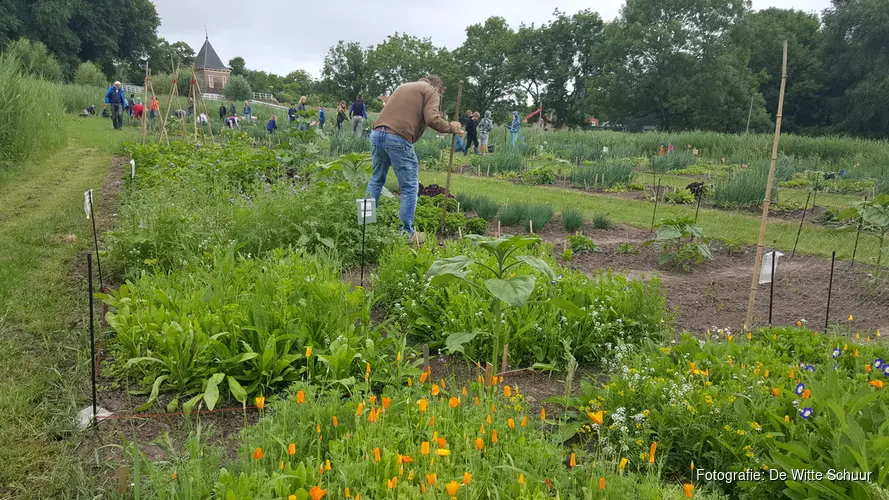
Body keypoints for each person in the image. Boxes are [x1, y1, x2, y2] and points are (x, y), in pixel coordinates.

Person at [365, 75, 463, 235]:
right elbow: (432, 118)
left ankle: (364, 222)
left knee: (376, 180)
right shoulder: (431, 91)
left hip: (377, 133)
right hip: (398, 136)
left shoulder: (403, 86)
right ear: (438, 88)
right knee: (410, 187)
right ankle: (406, 232)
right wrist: (451, 127)